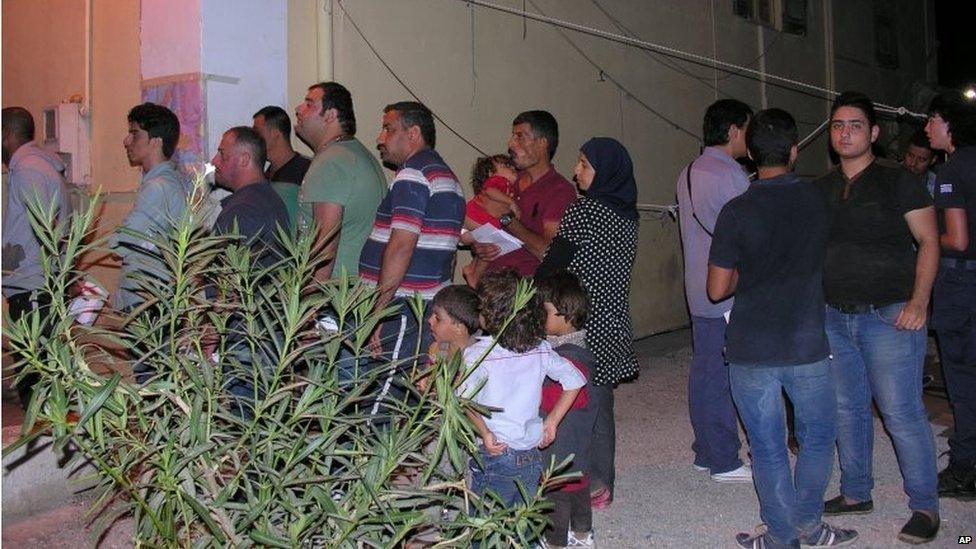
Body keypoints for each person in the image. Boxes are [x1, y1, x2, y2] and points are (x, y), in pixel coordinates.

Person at [708, 107, 856, 549]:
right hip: (806, 341)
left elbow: (717, 289)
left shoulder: (737, 210)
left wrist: (745, 271)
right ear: (794, 151)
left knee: (767, 445)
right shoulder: (820, 201)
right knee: (817, 437)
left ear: (750, 155)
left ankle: (780, 536)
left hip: (751, 346)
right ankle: (809, 526)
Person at [817, 91, 940, 544]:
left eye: (854, 124)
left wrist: (919, 302)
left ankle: (925, 506)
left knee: (901, 411)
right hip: (834, 316)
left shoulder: (900, 181)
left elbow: (929, 241)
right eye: (836, 125)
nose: (844, 132)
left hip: (890, 315)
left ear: (872, 133)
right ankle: (855, 492)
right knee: (847, 409)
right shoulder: (821, 187)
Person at [536, 137, 639, 508]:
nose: (576, 171)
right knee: (600, 406)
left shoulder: (585, 211)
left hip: (578, 322)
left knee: (563, 401)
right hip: (612, 322)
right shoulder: (628, 215)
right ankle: (600, 481)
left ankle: (564, 480)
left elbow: (553, 262)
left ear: (604, 171)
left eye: (584, 164)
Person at [358, 101, 465, 406]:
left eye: (389, 129)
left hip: (402, 307)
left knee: (382, 398)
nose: (380, 138)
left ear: (413, 133)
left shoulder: (413, 174)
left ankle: (376, 455)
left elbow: (401, 245)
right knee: (408, 393)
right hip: (423, 306)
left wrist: (379, 311)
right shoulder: (447, 177)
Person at [675, 99, 755, 484]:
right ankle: (724, 458)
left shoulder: (688, 171)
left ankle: (706, 452)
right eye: (748, 129)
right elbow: (748, 236)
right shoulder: (731, 176)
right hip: (727, 290)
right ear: (734, 130)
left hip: (699, 285)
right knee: (723, 374)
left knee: (706, 368)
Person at [459, 270, 585, 508]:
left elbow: (465, 400)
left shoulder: (477, 354)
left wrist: (484, 432)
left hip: (496, 452)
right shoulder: (541, 349)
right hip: (530, 453)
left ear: (488, 315)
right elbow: (575, 380)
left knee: (487, 522)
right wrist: (552, 422)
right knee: (522, 517)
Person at [1, 106, 72, 406]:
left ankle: (44, 444)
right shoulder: (36, 166)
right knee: (39, 371)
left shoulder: (29, 169)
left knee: (37, 376)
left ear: (6, 136)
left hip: (33, 286)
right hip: (36, 284)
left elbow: (46, 226)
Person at [926, 88, 976, 500]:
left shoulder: (952, 171)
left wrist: (926, 237)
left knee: (961, 378)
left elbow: (957, 240)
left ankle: (964, 469)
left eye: (932, 121)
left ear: (951, 126)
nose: (927, 129)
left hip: (962, 284)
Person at [294, 82, 387, 283]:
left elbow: (325, 244)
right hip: (354, 294)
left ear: (330, 115)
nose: (298, 109)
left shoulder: (332, 162)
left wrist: (309, 303)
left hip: (335, 297)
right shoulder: (355, 154)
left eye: (309, 104)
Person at [474, 110, 576, 277]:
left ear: (543, 143)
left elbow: (547, 252)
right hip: (490, 288)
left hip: (524, 294)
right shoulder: (508, 180)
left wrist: (507, 219)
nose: (511, 144)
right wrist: (479, 246)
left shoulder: (560, 191)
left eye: (520, 137)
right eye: (513, 137)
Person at [537, 270, 597, 549]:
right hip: (577, 439)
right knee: (578, 487)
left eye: (546, 311)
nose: (540, 317)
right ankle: (583, 534)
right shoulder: (572, 349)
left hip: (562, 439)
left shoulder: (570, 357)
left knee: (556, 494)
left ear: (566, 315)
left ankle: (555, 542)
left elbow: (564, 398)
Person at [112, 102, 190, 311]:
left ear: (155, 142)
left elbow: (121, 243)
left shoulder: (158, 188)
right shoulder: (175, 181)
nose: (126, 141)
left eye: (134, 134)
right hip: (156, 295)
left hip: (147, 298)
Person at [461, 154, 520, 287]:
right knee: (490, 243)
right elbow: (490, 191)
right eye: (506, 166)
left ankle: (472, 268)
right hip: (473, 217)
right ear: (490, 173)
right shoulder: (498, 181)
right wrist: (511, 203)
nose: (512, 168)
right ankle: (474, 275)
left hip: (474, 223)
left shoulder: (507, 186)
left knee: (488, 245)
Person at [252, 105, 311, 185]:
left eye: (257, 132)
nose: (253, 138)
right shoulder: (264, 176)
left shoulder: (307, 170)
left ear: (275, 132)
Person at [902, 128, 939, 196]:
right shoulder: (888, 174)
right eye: (910, 156)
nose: (913, 163)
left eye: (921, 159)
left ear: (933, 160)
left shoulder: (937, 187)